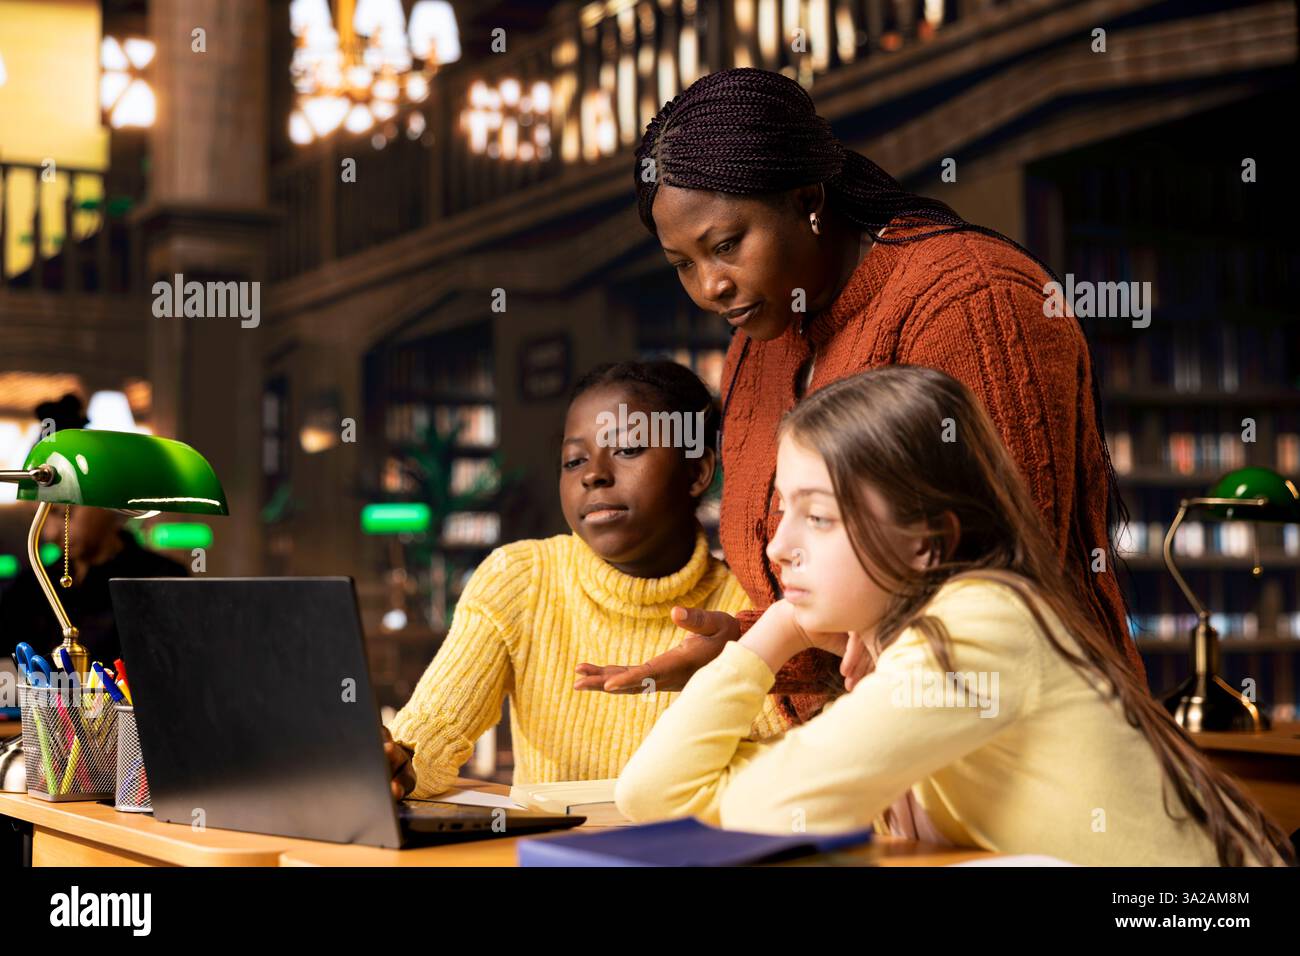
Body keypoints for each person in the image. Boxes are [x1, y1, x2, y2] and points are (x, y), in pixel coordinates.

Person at [579, 67, 1143, 727]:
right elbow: (837, 599)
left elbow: (998, 592)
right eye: (683, 264)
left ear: (808, 199)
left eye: (726, 246)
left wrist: (782, 640)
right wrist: (750, 647)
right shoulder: (756, 351)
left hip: (1023, 746)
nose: (710, 286)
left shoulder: (968, 299)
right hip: (866, 771)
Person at [614, 367, 1294, 866]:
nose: (777, 545)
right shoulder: (914, 640)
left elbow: (762, 811)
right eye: (783, 508)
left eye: (817, 516)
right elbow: (651, 794)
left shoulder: (979, 623)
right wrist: (776, 630)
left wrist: (782, 631)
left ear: (927, 540)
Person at [382, 361, 784, 799]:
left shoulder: (752, 605)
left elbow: (786, 771)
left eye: (628, 449)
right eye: (574, 460)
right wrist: (401, 763)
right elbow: (432, 734)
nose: (592, 474)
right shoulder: (520, 577)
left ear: (697, 471)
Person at [0, 396, 186, 664]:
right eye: (40, 517)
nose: (51, 533)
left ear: (105, 502)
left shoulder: (162, 581)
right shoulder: (31, 588)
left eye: (62, 514)